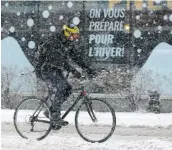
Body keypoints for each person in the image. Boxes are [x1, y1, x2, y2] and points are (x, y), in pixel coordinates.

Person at [35, 24, 96, 128]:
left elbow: (77, 58)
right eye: (74, 35)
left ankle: (50, 110)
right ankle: (54, 113)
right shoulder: (54, 42)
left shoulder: (68, 43)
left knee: (68, 88)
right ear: (68, 33)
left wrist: (89, 70)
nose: (76, 38)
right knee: (62, 87)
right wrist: (75, 72)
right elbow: (62, 62)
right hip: (45, 69)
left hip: (55, 69)